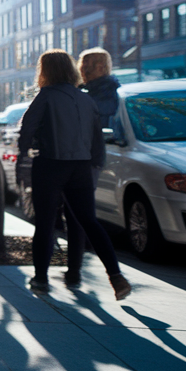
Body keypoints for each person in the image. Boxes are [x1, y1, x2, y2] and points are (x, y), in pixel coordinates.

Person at [18, 50, 131, 300]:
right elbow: (96, 139)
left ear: (45, 71)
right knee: (88, 221)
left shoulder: (46, 96)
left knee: (45, 224)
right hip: (81, 167)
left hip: (50, 165)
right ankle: (116, 276)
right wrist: (94, 165)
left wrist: (24, 155)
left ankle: (40, 278)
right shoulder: (86, 99)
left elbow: (26, 129)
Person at [61, 48, 120, 288]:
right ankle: (73, 269)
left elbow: (99, 118)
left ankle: (77, 269)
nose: (82, 69)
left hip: (88, 157)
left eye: (86, 65)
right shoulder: (84, 91)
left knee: (80, 215)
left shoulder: (107, 91)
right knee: (76, 213)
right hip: (78, 156)